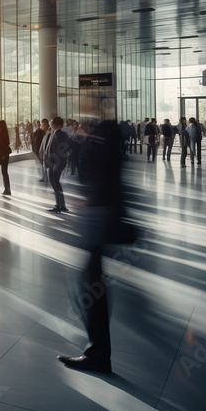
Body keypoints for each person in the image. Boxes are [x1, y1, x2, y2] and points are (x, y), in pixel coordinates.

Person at [57, 119, 130, 374]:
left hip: (97, 223)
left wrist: (89, 203)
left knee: (89, 290)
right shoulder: (111, 146)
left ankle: (98, 354)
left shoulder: (99, 146)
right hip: (101, 222)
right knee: (90, 287)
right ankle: (98, 351)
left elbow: (100, 181)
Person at [45, 117, 70, 213]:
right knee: (56, 182)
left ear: (55, 124)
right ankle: (61, 204)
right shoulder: (56, 133)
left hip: (55, 163)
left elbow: (60, 150)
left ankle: (59, 205)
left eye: (51, 122)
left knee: (55, 182)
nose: (50, 123)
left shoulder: (59, 134)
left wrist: (56, 164)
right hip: (54, 163)